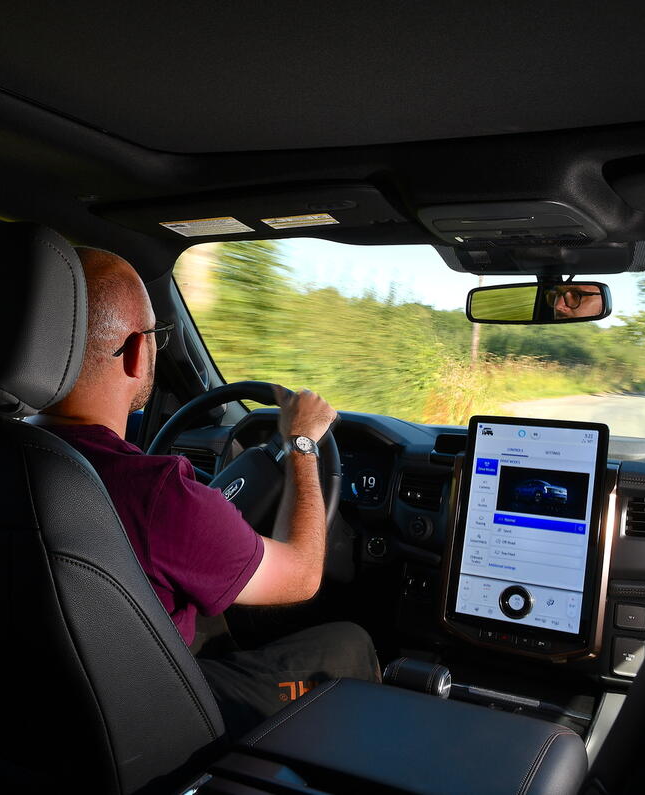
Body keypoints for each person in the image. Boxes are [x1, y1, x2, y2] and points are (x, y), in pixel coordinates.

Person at [27, 247, 380, 737]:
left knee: (217, 621)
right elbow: (300, 576)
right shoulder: (156, 493)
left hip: (32, 694)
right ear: (135, 352)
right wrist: (303, 444)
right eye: (157, 337)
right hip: (142, 714)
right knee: (350, 644)